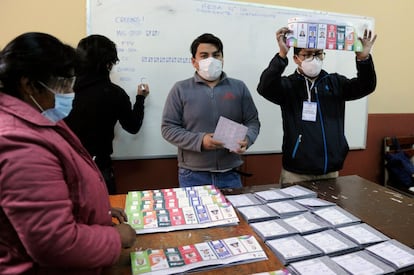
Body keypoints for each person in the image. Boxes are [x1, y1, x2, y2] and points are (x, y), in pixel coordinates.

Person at [0, 32, 136, 274]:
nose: (68, 93)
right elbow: (55, 243)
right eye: (62, 85)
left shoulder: (41, 115)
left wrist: (94, 210)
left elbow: (59, 187)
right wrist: (116, 238)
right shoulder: (18, 142)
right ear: (28, 84)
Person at [257, 27, 377, 184]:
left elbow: (366, 86)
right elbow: (264, 87)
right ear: (296, 59)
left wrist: (364, 59)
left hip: (330, 170)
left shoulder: (335, 83)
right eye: (307, 54)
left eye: (318, 54)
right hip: (296, 172)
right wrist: (281, 55)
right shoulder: (288, 86)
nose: (313, 59)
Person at [161, 33, 260, 189]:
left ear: (222, 59)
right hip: (193, 175)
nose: (211, 60)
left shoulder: (238, 87)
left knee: (232, 214)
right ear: (194, 62)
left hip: (231, 173)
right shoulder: (180, 89)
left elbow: (252, 121)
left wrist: (247, 139)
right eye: (204, 56)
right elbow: (168, 128)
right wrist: (201, 141)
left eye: (216, 55)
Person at [65, 34, 149, 194]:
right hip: (99, 168)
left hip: (65, 166)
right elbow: (133, 126)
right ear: (109, 64)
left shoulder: (63, 91)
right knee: (105, 214)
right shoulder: (114, 94)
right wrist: (140, 98)